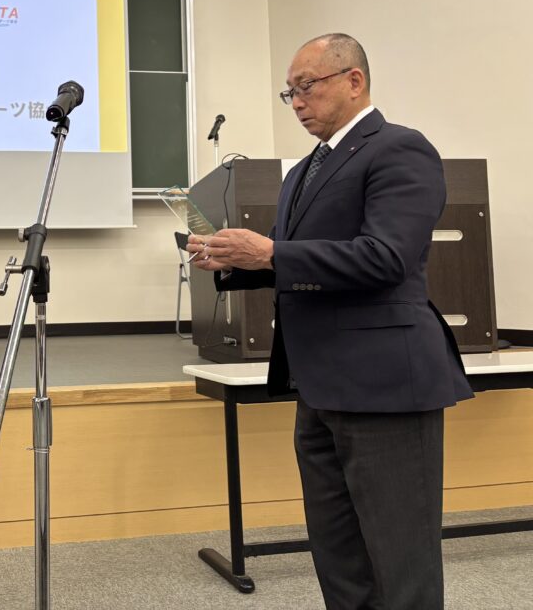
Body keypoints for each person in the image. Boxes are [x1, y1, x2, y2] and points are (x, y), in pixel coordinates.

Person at [188, 33, 473, 610]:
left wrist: (270, 253)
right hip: (318, 385)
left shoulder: (399, 148)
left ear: (354, 80)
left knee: (401, 560)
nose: (296, 102)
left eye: (306, 86)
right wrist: (236, 261)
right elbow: (296, 261)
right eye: (288, 92)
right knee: (338, 554)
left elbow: (386, 257)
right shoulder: (302, 172)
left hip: (385, 385)